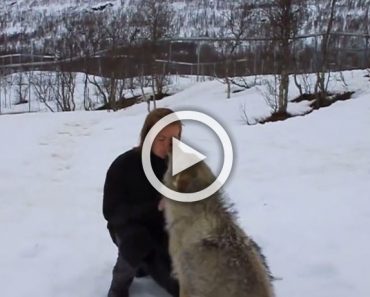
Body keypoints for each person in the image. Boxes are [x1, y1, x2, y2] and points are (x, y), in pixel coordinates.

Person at [103, 108, 182, 297]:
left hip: (164, 233)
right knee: (136, 242)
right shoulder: (124, 165)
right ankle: (119, 287)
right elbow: (111, 212)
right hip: (129, 231)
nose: (167, 146)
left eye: (173, 140)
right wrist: (157, 207)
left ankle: (145, 264)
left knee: (180, 288)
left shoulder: (180, 167)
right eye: (161, 139)